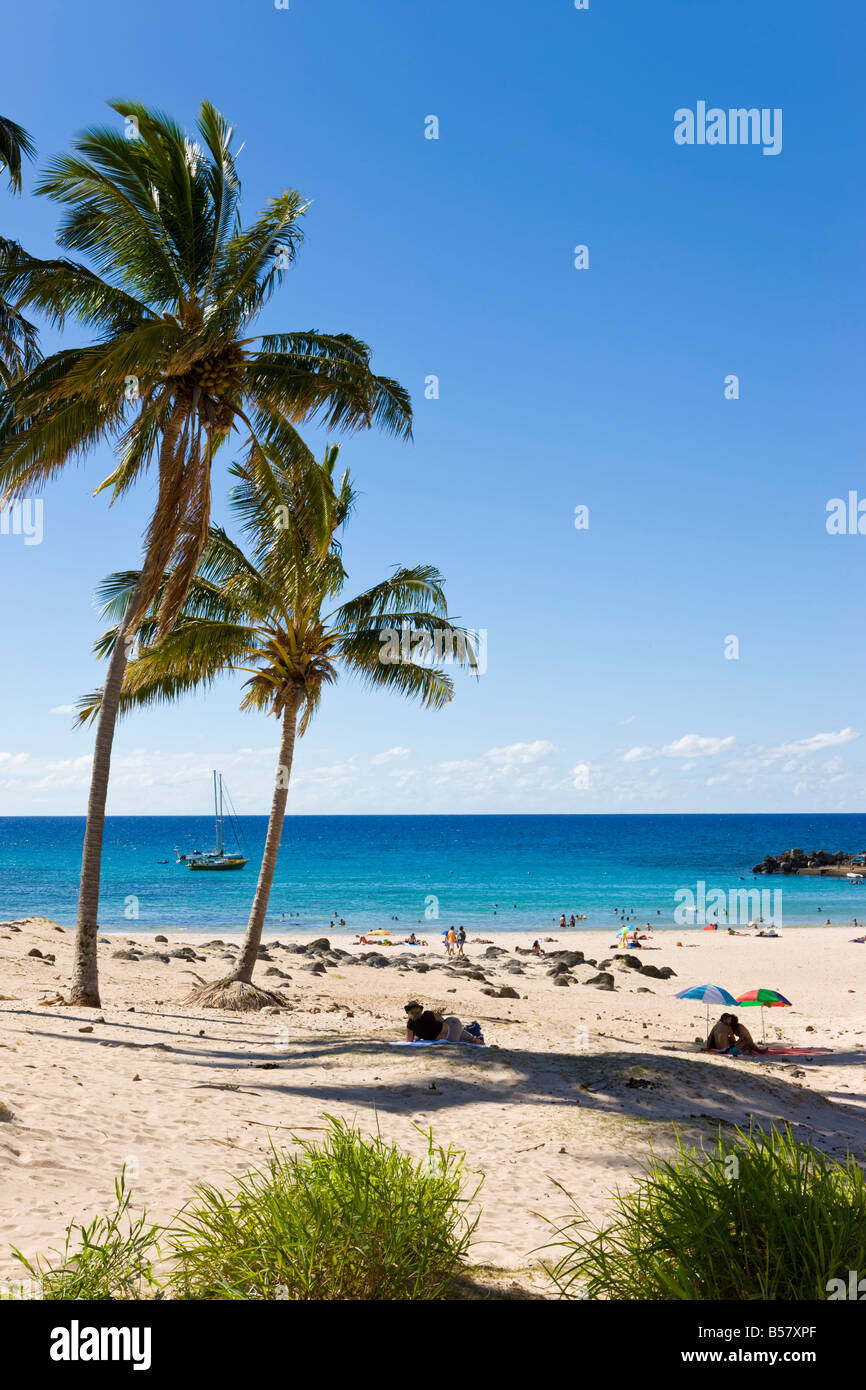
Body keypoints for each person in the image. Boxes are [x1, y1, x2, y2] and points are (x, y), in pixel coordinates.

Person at [404, 1001, 483, 1044]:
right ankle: (479, 1040)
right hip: (453, 1023)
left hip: (450, 1037)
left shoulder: (411, 1024)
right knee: (471, 1039)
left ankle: (477, 1039)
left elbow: (408, 1041)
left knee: (466, 1041)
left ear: (408, 1012)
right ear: (420, 1010)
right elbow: (442, 1020)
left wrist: (420, 1034)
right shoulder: (427, 1014)